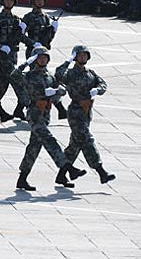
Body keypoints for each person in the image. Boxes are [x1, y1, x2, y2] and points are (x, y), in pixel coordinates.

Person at [9, 47, 79, 190]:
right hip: (34, 113)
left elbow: (61, 88)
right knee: (50, 140)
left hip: (45, 113)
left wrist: (58, 91)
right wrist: (27, 63)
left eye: (45, 57)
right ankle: (67, 168)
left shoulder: (49, 76)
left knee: (34, 147)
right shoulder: (29, 76)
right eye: (39, 57)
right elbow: (14, 75)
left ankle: (22, 179)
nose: (43, 60)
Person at [54, 45, 116, 185]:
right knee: (87, 140)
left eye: (85, 55)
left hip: (87, 112)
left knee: (75, 145)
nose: (83, 58)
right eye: (80, 55)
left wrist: (97, 90)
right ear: (75, 57)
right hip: (76, 111)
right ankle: (101, 172)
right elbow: (58, 74)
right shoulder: (70, 73)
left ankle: (62, 175)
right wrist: (67, 61)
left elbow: (103, 84)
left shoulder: (90, 73)